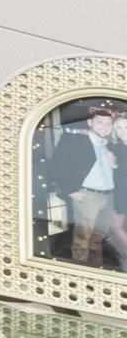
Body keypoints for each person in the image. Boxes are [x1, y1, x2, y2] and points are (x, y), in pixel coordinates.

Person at [43, 102, 127, 267]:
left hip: (109, 196)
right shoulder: (74, 139)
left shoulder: (110, 145)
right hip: (88, 196)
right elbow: (56, 166)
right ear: (90, 123)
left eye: (108, 124)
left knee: (98, 238)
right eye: (99, 122)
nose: (104, 127)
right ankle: (81, 273)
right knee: (82, 238)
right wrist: (70, 190)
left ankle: (95, 270)